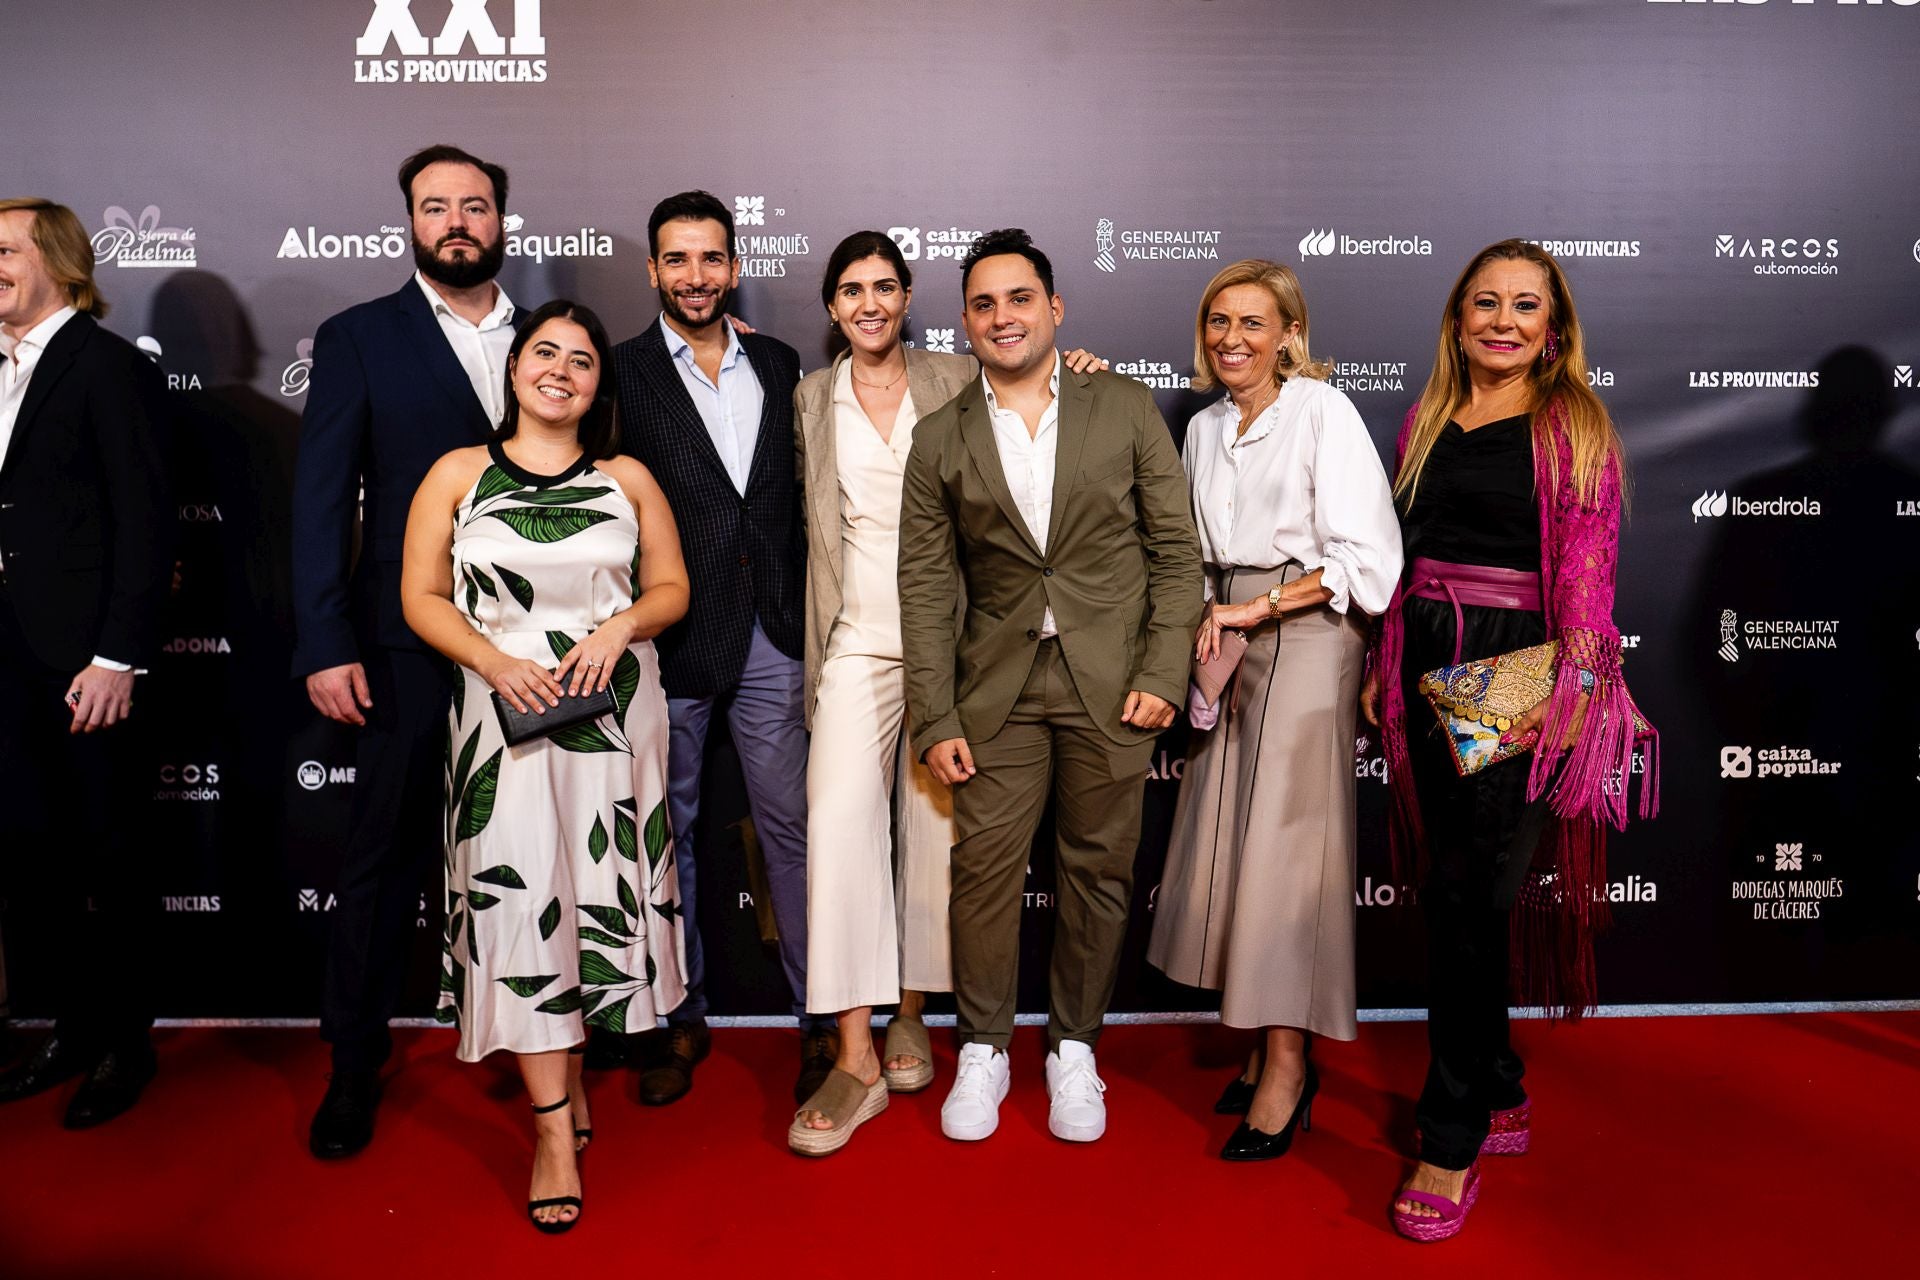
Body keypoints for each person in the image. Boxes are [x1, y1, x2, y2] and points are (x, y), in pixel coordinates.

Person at [1360, 239, 1656, 1240]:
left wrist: (1563, 695)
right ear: (1456, 319)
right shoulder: (1427, 417)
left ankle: (1449, 1136)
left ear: (1553, 327)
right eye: (1483, 302)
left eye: (1523, 305)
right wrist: (1383, 665)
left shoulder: (1570, 423)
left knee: (1468, 897)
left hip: (1516, 663)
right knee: (1457, 889)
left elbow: (1586, 582)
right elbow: (1402, 561)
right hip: (1424, 651)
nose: (1501, 319)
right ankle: (1498, 1079)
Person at [788, 231, 1107, 1154]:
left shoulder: (957, 378)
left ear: (911, 295)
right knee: (841, 824)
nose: (870, 304)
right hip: (854, 638)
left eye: (885, 286)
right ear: (833, 308)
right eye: (851, 291)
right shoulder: (810, 398)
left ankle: (913, 1014)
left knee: (937, 839)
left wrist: (1078, 369)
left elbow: (1038, 400)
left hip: (956, 646)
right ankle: (852, 1050)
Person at [899, 229, 1204, 1144]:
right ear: (966, 323)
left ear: (1054, 307)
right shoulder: (938, 437)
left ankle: (1076, 1047)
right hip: (994, 690)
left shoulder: (1124, 406)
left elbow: (1175, 555)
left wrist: (1162, 670)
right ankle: (985, 1046)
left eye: (1020, 298)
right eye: (985, 304)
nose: (1004, 317)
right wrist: (933, 712)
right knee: (982, 877)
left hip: (1112, 685)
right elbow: (924, 585)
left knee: (1098, 873)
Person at [402, 299, 689, 1232]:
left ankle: (568, 1082)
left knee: (594, 896)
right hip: (503, 712)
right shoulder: (456, 474)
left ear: (600, 384)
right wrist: (492, 660)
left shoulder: (628, 476)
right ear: (514, 368)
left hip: (613, 716)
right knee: (522, 906)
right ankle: (555, 1128)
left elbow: (671, 588)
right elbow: (421, 595)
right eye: (543, 352)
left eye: (582, 359)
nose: (560, 369)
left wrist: (620, 625)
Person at [292, 144, 520, 1158]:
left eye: (474, 205)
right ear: (411, 221)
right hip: (401, 644)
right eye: (437, 207)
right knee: (382, 854)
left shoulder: (549, 342)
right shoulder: (358, 337)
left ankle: (537, 1031)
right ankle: (353, 1060)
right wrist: (325, 633)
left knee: (526, 847)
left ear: (503, 219)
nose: (457, 222)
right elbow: (320, 498)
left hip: (535, 647)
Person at [1147, 259, 1401, 1160]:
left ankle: (1289, 1065)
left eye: (1253, 323)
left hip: (1302, 633)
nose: (1232, 339)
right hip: (1223, 636)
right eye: (1218, 321)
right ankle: (1260, 1042)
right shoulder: (1206, 427)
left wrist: (1258, 611)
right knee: (1232, 841)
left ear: (1291, 332)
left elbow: (1368, 561)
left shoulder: (1322, 412)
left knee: (1287, 854)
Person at [610, 191, 828, 1106]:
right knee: (670, 838)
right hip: (671, 640)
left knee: (791, 831)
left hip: (774, 632)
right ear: (653, 271)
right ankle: (677, 1015)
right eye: (677, 260)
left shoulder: (779, 364)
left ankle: (822, 1019)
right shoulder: (615, 372)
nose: (694, 277)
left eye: (710, 259)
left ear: (735, 267)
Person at [0, 197, 172, 1128]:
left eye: (4, 251)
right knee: (36, 853)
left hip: (85, 662)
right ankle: (69, 1029)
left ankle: (125, 1045)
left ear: (60, 263)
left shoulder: (108, 369)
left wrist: (118, 657)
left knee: (111, 850)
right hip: (8, 658)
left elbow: (146, 521)